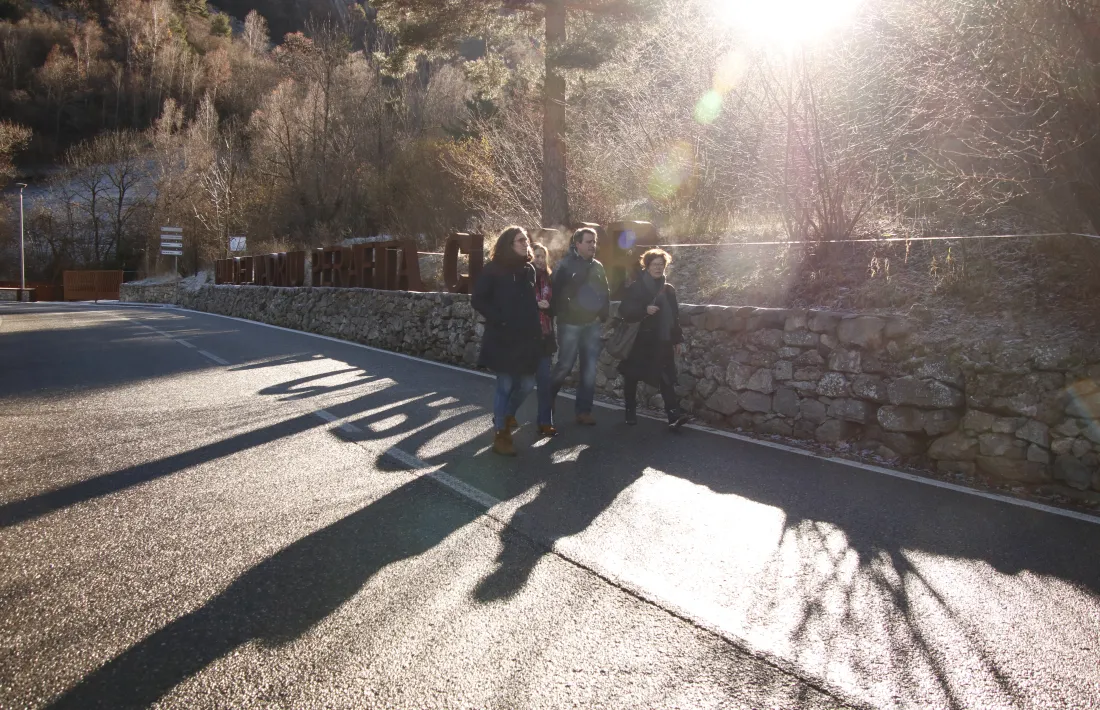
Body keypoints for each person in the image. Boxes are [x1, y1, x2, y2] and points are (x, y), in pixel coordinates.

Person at [472, 226, 542, 456]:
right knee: (505, 385)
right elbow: (478, 300)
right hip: (503, 337)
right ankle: (501, 434)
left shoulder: (529, 269)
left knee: (527, 385)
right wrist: (500, 319)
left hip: (527, 338)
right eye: (520, 240)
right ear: (508, 244)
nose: (526, 244)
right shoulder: (493, 270)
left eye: (526, 241)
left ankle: (504, 415)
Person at [617, 248, 691, 430]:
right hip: (640, 341)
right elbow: (624, 310)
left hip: (662, 341)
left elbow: (675, 317)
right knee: (632, 376)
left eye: (661, 265)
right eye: (655, 264)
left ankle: (673, 415)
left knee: (666, 378)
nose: (658, 268)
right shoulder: (636, 287)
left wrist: (678, 340)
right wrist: (644, 310)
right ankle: (630, 411)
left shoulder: (669, 290)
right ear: (647, 266)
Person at [550, 227, 610, 425]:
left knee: (589, 369)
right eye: (588, 242)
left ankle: (583, 411)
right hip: (570, 324)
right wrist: (563, 314)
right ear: (577, 244)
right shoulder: (565, 266)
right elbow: (554, 293)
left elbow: (605, 291)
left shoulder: (598, 266)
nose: (593, 245)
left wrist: (603, 314)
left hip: (592, 324)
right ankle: (546, 402)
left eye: (594, 241)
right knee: (565, 365)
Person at [532, 243, 559, 437]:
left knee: (545, 382)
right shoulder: (521, 277)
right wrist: (534, 305)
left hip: (544, 337)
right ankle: (505, 415)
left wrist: (548, 306)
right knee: (519, 384)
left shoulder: (550, 279)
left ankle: (545, 422)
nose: (540, 259)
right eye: (536, 256)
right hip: (525, 337)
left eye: (543, 256)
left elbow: (556, 307)